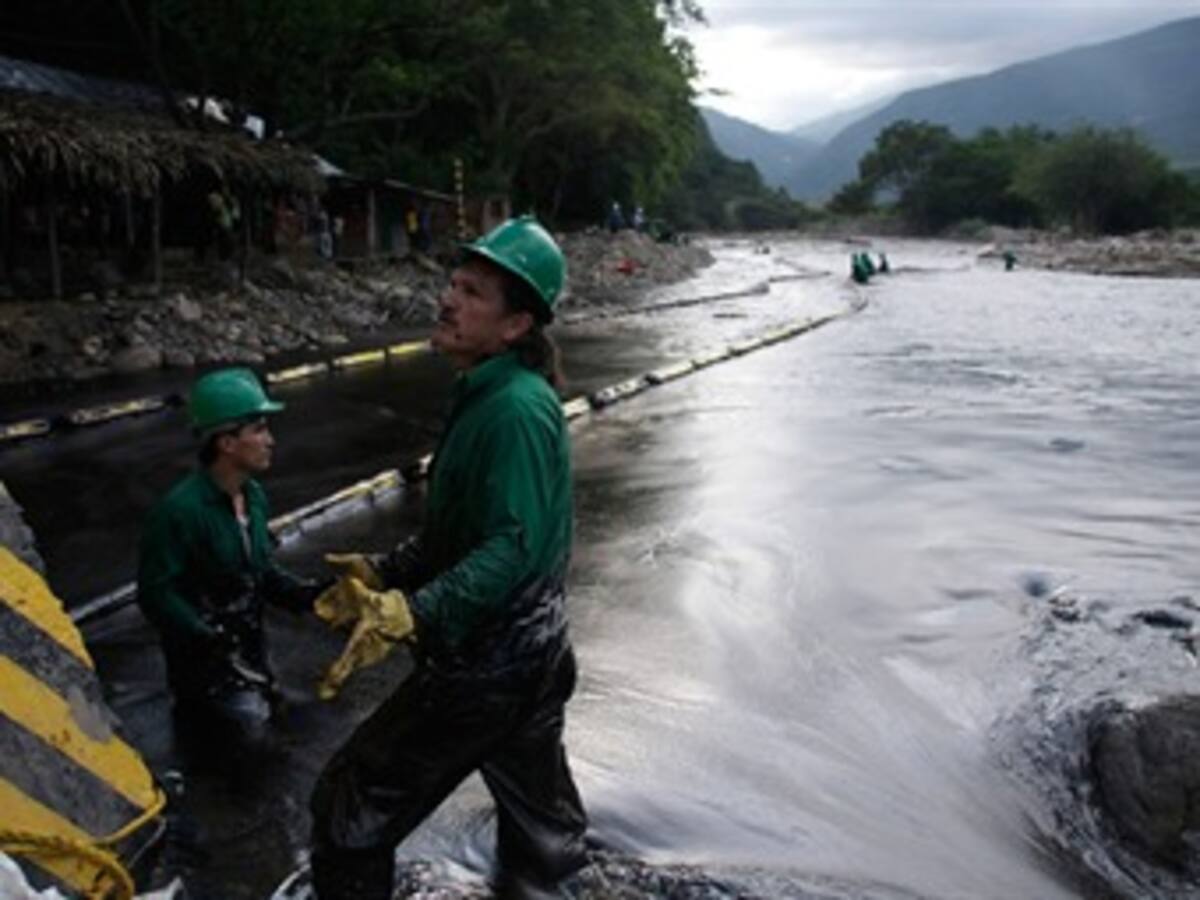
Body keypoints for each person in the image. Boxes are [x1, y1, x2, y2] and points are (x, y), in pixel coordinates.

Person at [308, 215, 588, 900]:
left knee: (348, 813)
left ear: (516, 325)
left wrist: (415, 612)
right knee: (540, 833)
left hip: (492, 663)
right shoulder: (486, 393)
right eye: (453, 283)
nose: (448, 300)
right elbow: (461, 532)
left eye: (471, 293)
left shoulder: (515, 410)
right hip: (537, 652)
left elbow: (509, 547)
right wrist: (388, 572)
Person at [137, 368, 327, 770]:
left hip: (250, 659)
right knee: (224, 766)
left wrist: (308, 594)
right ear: (226, 442)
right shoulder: (180, 512)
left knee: (269, 761)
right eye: (259, 429)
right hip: (202, 675)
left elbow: (257, 571)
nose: (270, 440)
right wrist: (205, 634)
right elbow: (156, 593)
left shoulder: (253, 497)